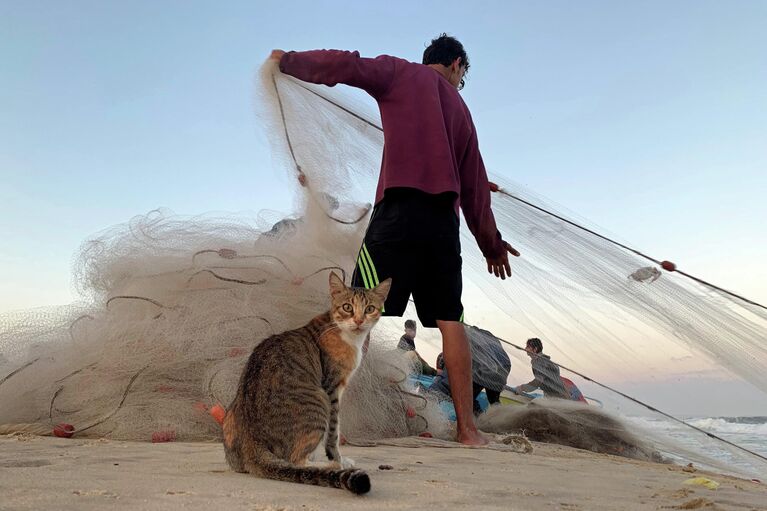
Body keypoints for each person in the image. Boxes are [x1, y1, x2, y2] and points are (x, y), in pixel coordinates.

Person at [271, 34, 519, 446]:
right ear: (457, 64)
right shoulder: (461, 110)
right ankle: (468, 430)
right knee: (450, 322)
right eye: (462, 76)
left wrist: (292, 62)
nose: (458, 83)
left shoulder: (401, 73)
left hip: (398, 212)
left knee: (357, 313)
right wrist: (491, 245)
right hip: (443, 222)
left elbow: (347, 65)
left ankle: (337, 429)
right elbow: (475, 188)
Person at [430, 325, 511, 414]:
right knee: (484, 401)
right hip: (502, 367)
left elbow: (442, 384)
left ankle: (424, 408)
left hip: (481, 362)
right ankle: (492, 421)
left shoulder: (453, 353)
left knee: (440, 389)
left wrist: (434, 385)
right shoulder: (475, 334)